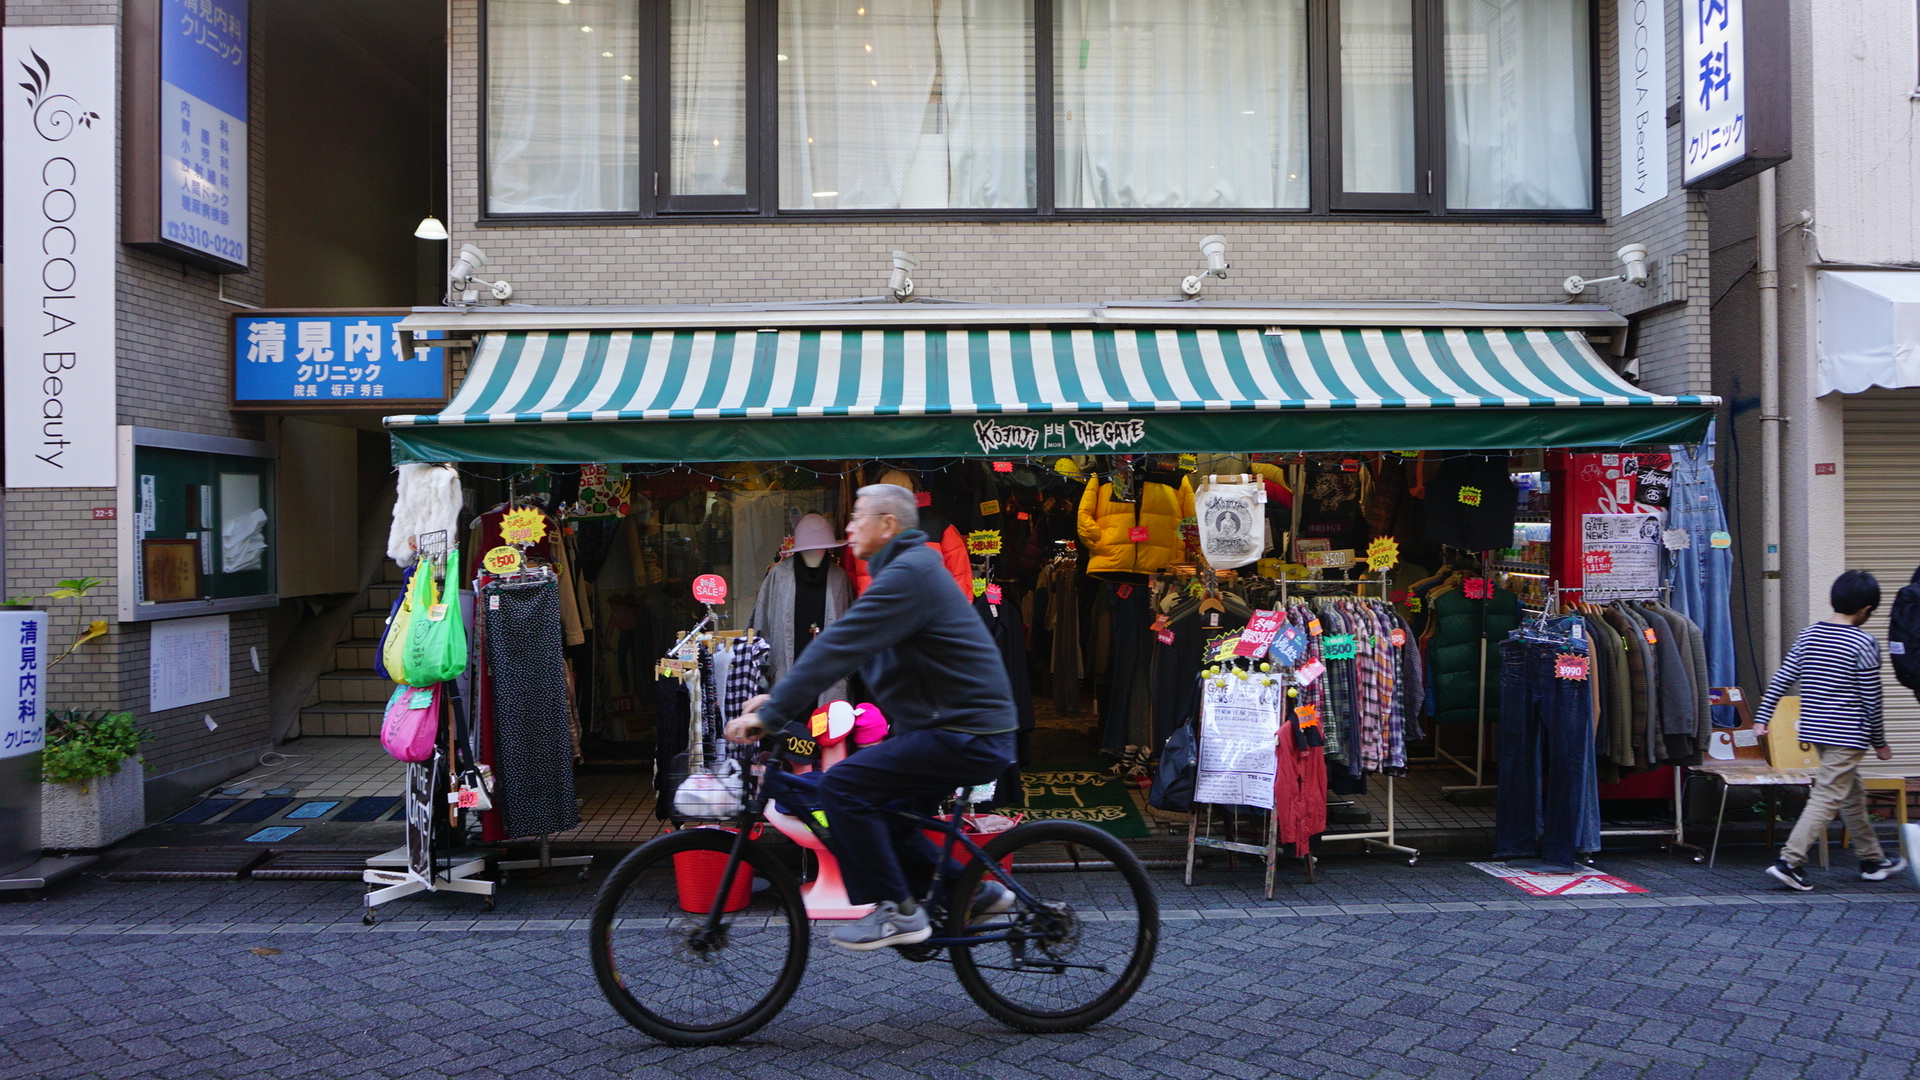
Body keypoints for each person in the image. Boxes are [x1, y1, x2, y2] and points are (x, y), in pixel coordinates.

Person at [727, 483, 1018, 950]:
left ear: (887, 525)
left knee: (845, 786)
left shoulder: (909, 574)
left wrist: (777, 707)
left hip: (964, 731)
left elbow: (839, 645)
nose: (849, 525)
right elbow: (851, 648)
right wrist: (777, 700)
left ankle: (899, 912)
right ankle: (971, 890)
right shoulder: (901, 572)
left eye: (859, 515)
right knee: (890, 815)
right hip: (954, 727)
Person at [1754, 570, 1906, 890]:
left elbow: (1783, 677)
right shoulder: (1864, 642)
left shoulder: (1809, 635)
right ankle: (1790, 861)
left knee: (1851, 794)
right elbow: (1871, 697)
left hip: (1815, 733)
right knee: (1827, 796)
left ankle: (1871, 859)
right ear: (1866, 610)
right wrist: (1879, 740)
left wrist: (1762, 717)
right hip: (1848, 735)